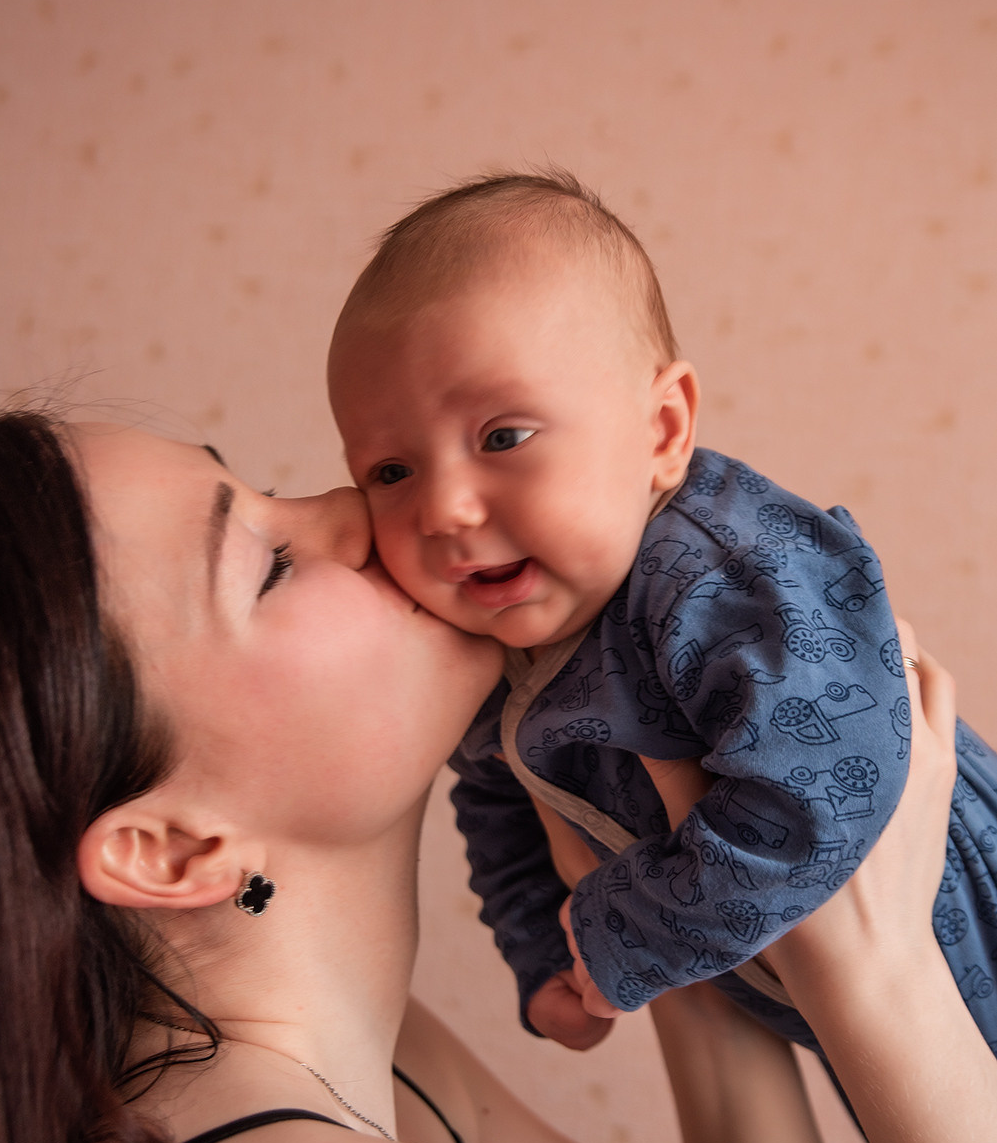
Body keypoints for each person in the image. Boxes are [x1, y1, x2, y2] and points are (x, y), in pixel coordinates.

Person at [0, 408, 995, 1143]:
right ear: (171, 851)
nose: (352, 511)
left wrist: (678, 908)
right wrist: (881, 982)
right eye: (267, 563)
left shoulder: (358, 1079)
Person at [327, 169, 997, 1061]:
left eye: (501, 438)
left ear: (662, 431)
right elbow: (501, 811)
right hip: (845, 1017)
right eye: (391, 472)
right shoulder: (493, 651)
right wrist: (546, 961)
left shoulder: (715, 573)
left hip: (965, 932)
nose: (443, 508)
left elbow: (820, 789)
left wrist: (623, 933)